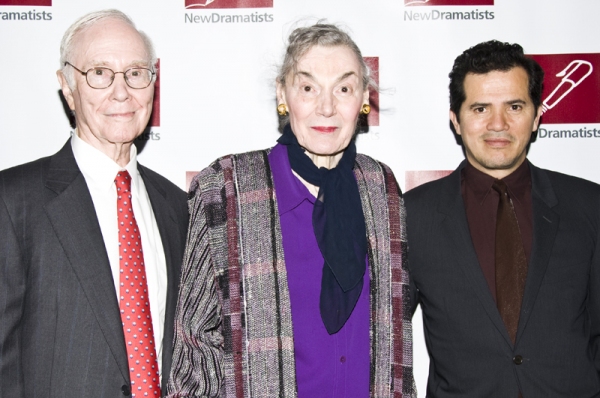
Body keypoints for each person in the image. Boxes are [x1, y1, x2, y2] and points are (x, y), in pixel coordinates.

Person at [167, 23, 415, 397]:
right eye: (308, 87)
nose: (327, 106)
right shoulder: (226, 188)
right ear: (283, 95)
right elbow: (195, 347)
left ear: (363, 99)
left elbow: (396, 335)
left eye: (344, 88)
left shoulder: (381, 187)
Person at [0, 9, 188, 398]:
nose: (122, 92)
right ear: (68, 87)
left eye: (136, 73)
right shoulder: (12, 201)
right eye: (99, 73)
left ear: (153, 83)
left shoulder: (179, 207)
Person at [405, 40, 600, 397]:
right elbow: (383, 336)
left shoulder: (590, 205)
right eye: (480, 108)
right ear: (456, 120)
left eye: (514, 106)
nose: (498, 124)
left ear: (538, 115)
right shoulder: (411, 214)